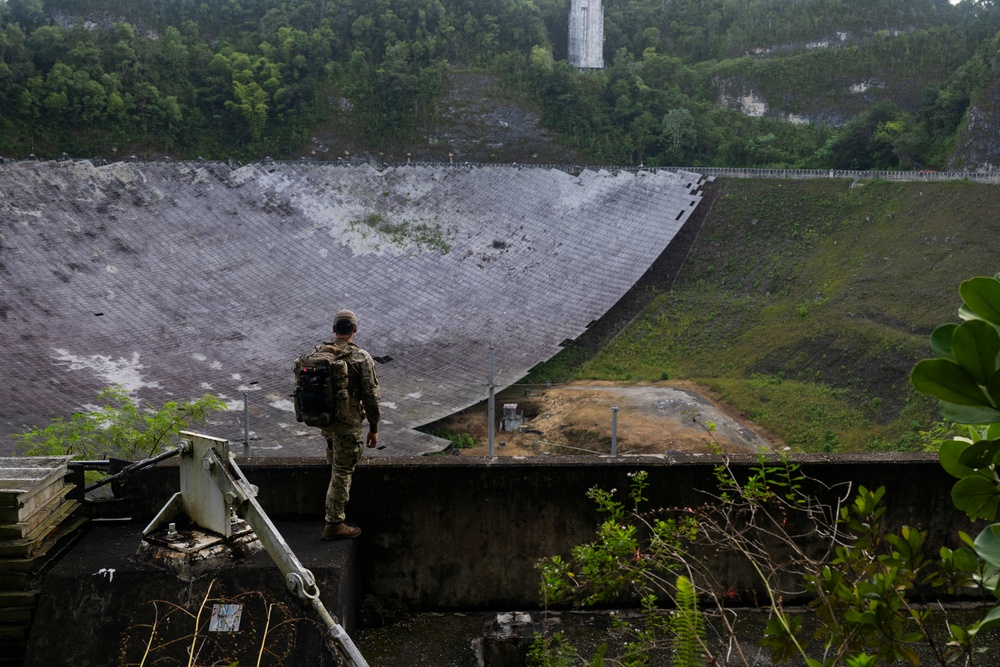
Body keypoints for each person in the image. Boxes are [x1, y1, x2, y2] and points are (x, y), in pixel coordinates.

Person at [318, 309, 381, 540]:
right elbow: (372, 397)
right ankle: (334, 523)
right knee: (343, 470)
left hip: (326, 422)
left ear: (334, 329)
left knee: (335, 455)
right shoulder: (361, 357)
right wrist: (373, 428)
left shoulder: (319, 353)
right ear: (355, 330)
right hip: (348, 423)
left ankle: (331, 458)